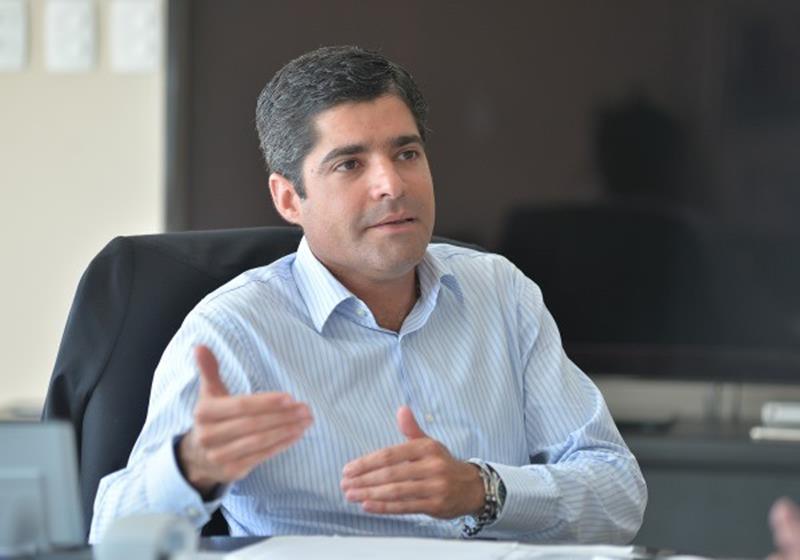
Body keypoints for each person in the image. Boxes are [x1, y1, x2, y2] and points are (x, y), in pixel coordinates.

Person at [89, 45, 646, 543]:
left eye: (406, 154)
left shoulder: (501, 292)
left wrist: (481, 489)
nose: (392, 185)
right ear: (288, 199)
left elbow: (619, 494)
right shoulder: (233, 330)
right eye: (350, 164)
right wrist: (190, 469)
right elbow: (109, 538)